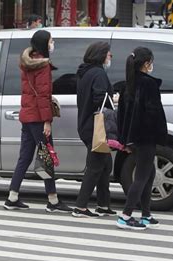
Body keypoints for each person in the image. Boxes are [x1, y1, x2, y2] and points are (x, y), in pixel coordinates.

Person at [4, 30, 71, 213]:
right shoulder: (42, 66)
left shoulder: (28, 62)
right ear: (44, 44)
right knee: (46, 157)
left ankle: (12, 197)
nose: (53, 43)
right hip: (38, 119)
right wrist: (47, 121)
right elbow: (42, 96)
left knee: (24, 158)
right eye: (50, 41)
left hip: (27, 116)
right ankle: (53, 200)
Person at [116, 47, 167, 230]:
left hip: (133, 137)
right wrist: (161, 134)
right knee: (142, 176)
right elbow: (155, 113)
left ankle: (146, 214)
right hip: (146, 136)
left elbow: (122, 114)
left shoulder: (128, 83)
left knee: (149, 173)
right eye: (151, 62)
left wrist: (125, 139)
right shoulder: (148, 84)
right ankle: (126, 215)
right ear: (146, 64)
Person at [73, 41, 118, 218]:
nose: (110, 56)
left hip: (86, 124)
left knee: (105, 164)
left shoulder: (85, 73)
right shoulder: (98, 73)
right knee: (95, 166)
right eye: (108, 53)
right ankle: (80, 207)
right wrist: (113, 99)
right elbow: (99, 97)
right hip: (96, 127)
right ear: (101, 55)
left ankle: (103, 204)